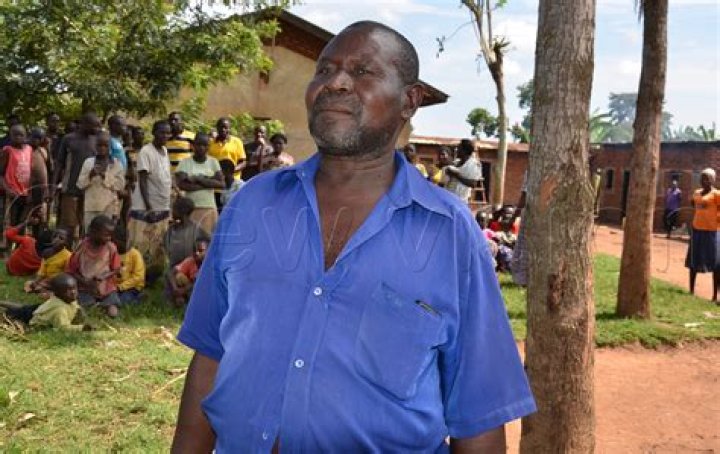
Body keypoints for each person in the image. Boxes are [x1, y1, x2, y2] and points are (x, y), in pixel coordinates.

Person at [173, 21, 535, 452]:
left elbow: (478, 416)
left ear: (410, 100)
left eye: (363, 71)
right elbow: (210, 357)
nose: (336, 83)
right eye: (324, 70)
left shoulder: (450, 233)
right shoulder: (252, 205)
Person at [128, 120, 172, 283]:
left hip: (163, 205)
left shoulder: (165, 150)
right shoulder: (146, 151)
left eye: (168, 133)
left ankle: (152, 278)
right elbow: (143, 180)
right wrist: (149, 207)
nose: (165, 136)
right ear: (154, 133)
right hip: (146, 207)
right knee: (141, 244)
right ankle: (136, 276)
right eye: (162, 132)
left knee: (158, 245)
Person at [54, 113, 101, 241]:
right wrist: (54, 185)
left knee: (86, 224)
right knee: (69, 224)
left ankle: (81, 249)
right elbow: (59, 163)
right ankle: (66, 250)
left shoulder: (97, 140)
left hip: (89, 189)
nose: (97, 128)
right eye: (95, 126)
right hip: (70, 188)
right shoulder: (69, 139)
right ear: (84, 124)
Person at [66, 215, 122, 317]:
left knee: (113, 313)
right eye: (105, 235)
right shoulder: (82, 247)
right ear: (93, 232)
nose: (108, 238)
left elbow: (117, 269)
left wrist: (103, 276)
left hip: (106, 288)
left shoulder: (111, 248)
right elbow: (71, 270)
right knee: (85, 308)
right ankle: (95, 306)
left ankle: (105, 306)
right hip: (85, 288)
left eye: (110, 235)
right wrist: (85, 282)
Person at [0, 273, 91, 331]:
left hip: (43, 309)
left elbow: (77, 308)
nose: (73, 292)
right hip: (34, 317)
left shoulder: (69, 298)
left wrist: (83, 317)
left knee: (23, 307)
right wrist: (82, 328)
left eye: (74, 288)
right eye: (68, 290)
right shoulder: (59, 310)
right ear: (57, 293)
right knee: (11, 313)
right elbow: (63, 328)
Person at [76, 131, 126, 232]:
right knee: (90, 232)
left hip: (109, 207)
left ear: (110, 146)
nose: (102, 148)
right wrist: (90, 175)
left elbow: (120, 186)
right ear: (95, 146)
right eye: (99, 145)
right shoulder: (88, 162)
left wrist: (105, 176)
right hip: (91, 206)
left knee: (106, 233)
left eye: (105, 145)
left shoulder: (116, 164)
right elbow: (80, 184)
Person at [176, 132, 224, 233]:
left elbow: (221, 184)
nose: (202, 148)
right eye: (199, 144)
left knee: (208, 238)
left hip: (209, 208)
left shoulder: (213, 162)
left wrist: (198, 179)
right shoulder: (185, 162)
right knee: (191, 239)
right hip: (191, 209)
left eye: (205, 145)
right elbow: (182, 185)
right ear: (193, 145)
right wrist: (209, 182)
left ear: (208, 147)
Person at [685, 168, 719, 303]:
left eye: (707, 178)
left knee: (716, 263)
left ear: (713, 180)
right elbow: (693, 204)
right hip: (697, 230)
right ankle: (691, 291)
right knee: (693, 261)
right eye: (702, 178)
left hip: (712, 232)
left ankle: (715, 296)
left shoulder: (716, 194)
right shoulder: (696, 193)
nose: (704, 181)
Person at [208, 117, 245, 210]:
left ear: (229, 128)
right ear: (217, 128)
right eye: (221, 127)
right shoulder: (211, 143)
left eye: (226, 127)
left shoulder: (237, 142)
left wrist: (231, 171)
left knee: (231, 211)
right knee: (216, 212)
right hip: (216, 186)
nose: (223, 130)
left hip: (233, 186)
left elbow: (243, 162)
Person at [0, 123, 33, 229]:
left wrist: (30, 191)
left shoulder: (29, 149)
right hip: (13, 194)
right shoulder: (7, 150)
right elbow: (1, 173)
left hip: (26, 193)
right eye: (15, 135)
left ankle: (20, 240)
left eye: (21, 135)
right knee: (11, 222)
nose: (18, 137)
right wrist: (7, 189)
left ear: (26, 136)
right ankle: (8, 240)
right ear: (10, 136)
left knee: (23, 222)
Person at [163, 196, 208, 269]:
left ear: (182, 212)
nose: (172, 213)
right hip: (173, 269)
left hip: (191, 270)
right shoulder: (170, 230)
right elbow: (166, 249)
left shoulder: (196, 231)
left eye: (174, 210)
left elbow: (203, 251)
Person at [26, 228, 72, 297]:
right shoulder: (46, 252)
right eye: (55, 236)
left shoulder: (68, 256)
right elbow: (42, 271)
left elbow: (65, 274)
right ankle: (42, 290)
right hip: (45, 281)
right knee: (29, 284)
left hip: (58, 282)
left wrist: (50, 281)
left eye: (61, 238)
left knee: (45, 291)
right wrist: (36, 281)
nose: (56, 239)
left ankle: (48, 292)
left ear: (66, 242)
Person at [166, 238, 208, 307]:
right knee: (179, 276)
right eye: (195, 250)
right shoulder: (190, 261)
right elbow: (170, 273)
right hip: (190, 289)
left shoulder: (210, 265)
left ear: (207, 251)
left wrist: (184, 290)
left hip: (203, 291)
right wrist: (175, 289)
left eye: (201, 251)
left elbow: (201, 284)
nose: (197, 253)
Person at [4, 210, 44, 276]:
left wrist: (26, 222)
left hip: (11, 269)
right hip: (20, 271)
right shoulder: (45, 259)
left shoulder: (28, 241)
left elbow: (9, 234)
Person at [113, 226, 146, 305]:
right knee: (110, 300)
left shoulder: (135, 254)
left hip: (132, 287)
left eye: (124, 241)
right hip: (115, 287)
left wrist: (121, 287)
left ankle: (139, 298)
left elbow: (138, 277)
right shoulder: (113, 253)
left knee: (121, 302)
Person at [444, 138, 482, 204]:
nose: (457, 150)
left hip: (461, 201)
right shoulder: (456, 162)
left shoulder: (473, 164)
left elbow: (473, 184)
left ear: (465, 151)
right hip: (449, 198)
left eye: (459, 148)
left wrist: (456, 175)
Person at [28, 127, 51, 231]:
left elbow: (50, 167)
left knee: (40, 214)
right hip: (30, 187)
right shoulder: (27, 150)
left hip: (41, 188)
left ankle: (38, 237)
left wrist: (48, 147)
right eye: (35, 137)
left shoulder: (42, 150)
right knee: (30, 214)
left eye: (40, 138)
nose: (36, 140)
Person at [510, 172, 528, 286]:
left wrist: (513, 218)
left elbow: (524, 196)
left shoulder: (531, 171)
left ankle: (523, 279)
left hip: (531, 214)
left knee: (525, 247)